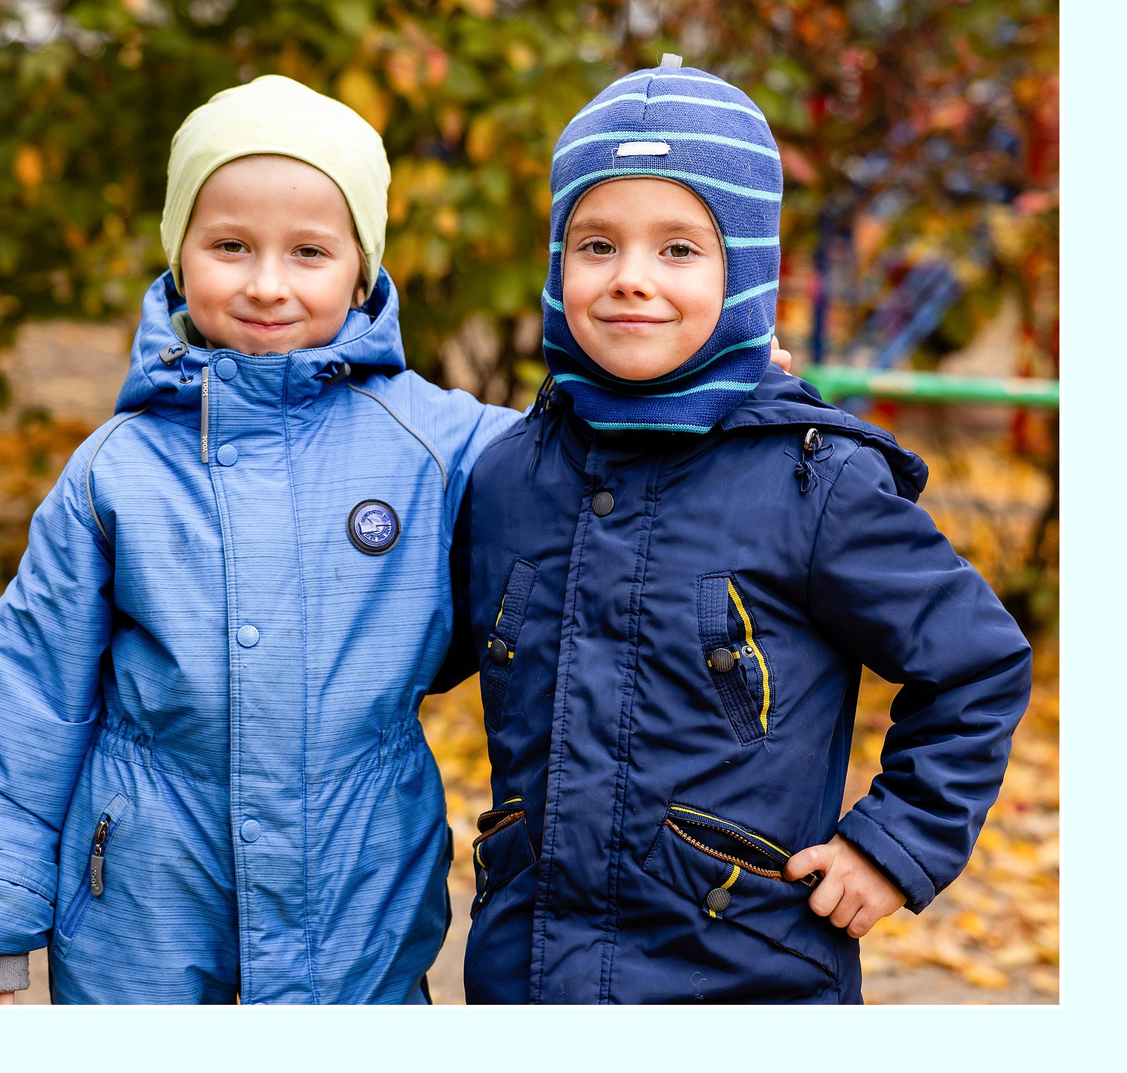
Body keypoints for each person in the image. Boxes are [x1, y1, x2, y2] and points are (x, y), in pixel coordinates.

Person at [441, 56, 1033, 1004]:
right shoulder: (513, 471)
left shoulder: (814, 480)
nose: (631, 278)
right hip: (530, 972)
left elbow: (976, 663)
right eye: (596, 244)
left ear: (745, 269)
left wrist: (895, 845)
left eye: (679, 249)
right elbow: (422, 647)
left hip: (745, 975)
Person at [0, 77, 519, 1004]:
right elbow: (31, 696)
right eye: (230, 245)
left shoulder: (437, 443)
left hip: (359, 885)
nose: (267, 282)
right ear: (180, 253)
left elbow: (585, 456)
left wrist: (712, 385)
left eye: (309, 251)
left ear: (361, 269)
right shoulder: (115, 471)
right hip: (145, 899)